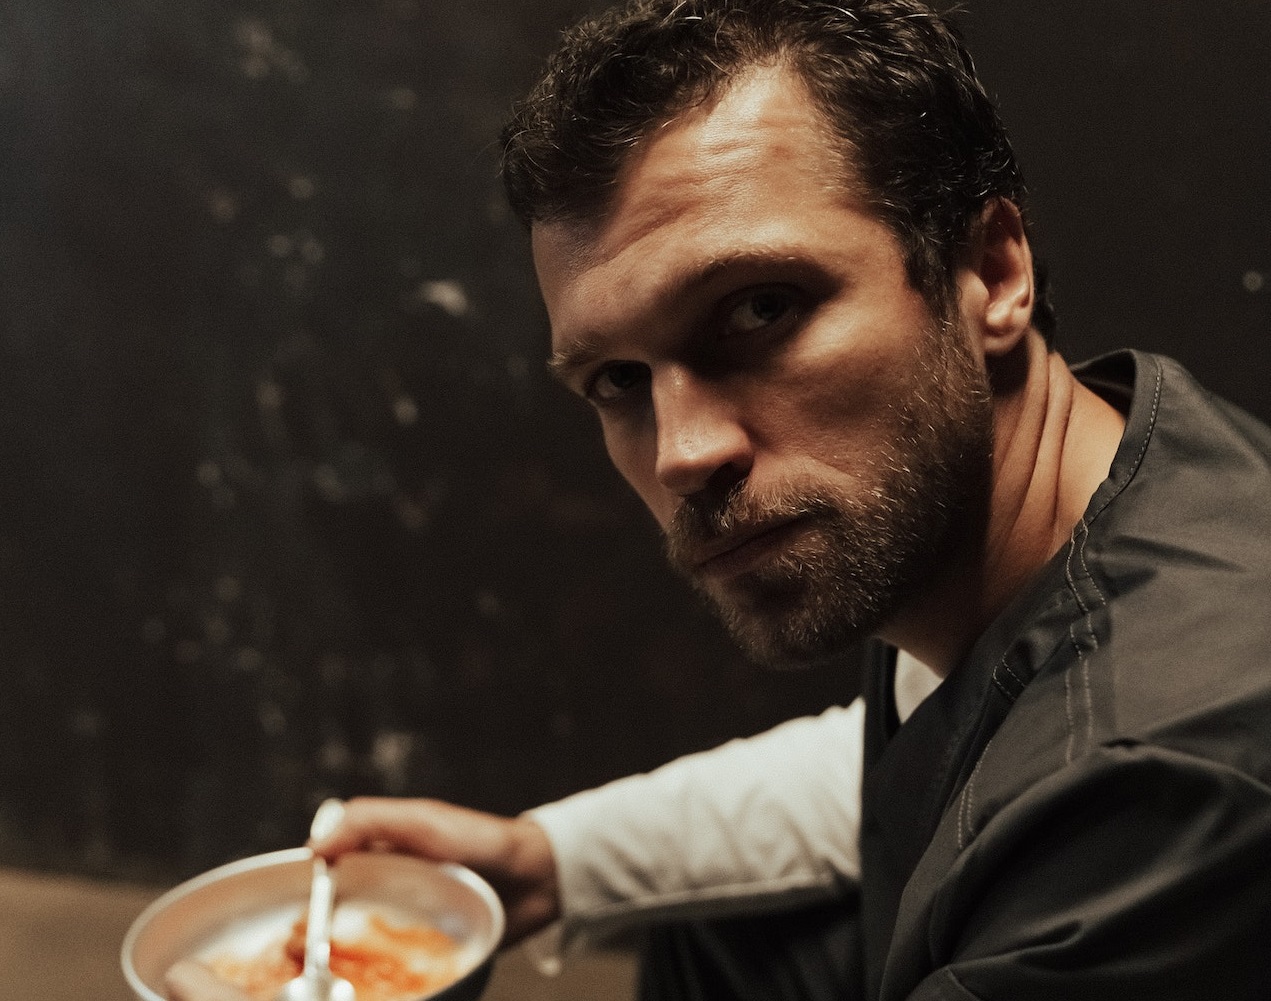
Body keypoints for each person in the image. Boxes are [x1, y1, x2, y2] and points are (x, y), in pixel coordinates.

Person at [166, 1, 1271, 999]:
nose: (684, 451)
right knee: (724, 943)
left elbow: (1055, 769)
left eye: (759, 310)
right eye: (616, 381)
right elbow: (919, 745)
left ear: (988, 269)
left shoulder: (1155, 790)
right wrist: (548, 864)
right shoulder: (1074, 473)